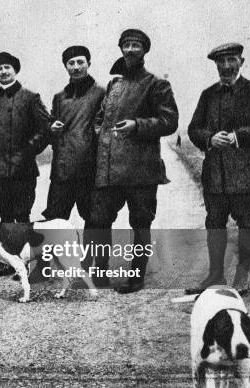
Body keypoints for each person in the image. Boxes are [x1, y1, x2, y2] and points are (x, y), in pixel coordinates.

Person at [90, 29, 179, 293]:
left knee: (140, 223)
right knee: (99, 220)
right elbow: (100, 117)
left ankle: (136, 276)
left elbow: (169, 121)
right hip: (108, 171)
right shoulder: (114, 85)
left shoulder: (156, 84)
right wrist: (101, 132)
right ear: (120, 49)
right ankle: (100, 274)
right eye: (126, 45)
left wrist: (137, 125)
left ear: (144, 50)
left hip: (141, 171)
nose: (130, 50)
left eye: (136, 45)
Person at [186, 43, 250, 295]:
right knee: (214, 223)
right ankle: (215, 275)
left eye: (231, 60)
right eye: (221, 62)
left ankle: (242, 275)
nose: (226, 66)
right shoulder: (208, 95)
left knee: (247, 222)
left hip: (247, 174)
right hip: (215, 174)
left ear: (241, 61)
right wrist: (209, 139)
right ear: (216, 65)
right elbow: (194, 129)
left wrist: (239, 136)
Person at [0, 51, 50, 224]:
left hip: (23, 171)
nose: (3, 72)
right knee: (5, 217)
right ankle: (10, 251)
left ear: (15, 70)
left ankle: (25, 251)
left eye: (7, 67)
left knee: (23, 216)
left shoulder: (30, 96)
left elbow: (45, 128)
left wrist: (27, 151)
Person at [43, 45, 105, 224]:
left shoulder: (101, 92)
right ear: (66, 66)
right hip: (62, 172)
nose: (76, 67)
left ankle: (95, 254)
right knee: (54, 224)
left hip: (91, 171)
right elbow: (51, 129)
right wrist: (51, 128)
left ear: (89, 64)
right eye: (71, 63)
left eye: (80, 62)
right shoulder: (59, 97)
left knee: (96, 222)